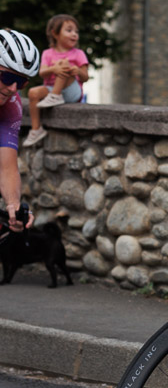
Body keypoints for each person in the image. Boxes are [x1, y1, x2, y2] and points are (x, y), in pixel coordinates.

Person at [24, 14, 89, 148]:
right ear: (55, 33)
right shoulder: (47, 53)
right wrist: (54, 69)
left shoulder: (78, 54)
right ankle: (36, 129)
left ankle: (55, 96)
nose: (74, 34)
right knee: (33, 92)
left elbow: (85, 77)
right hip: (50, 89)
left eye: (76, 32)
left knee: (65, 64)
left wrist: (78, 71)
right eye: (69, 30)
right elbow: (42, 73)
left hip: (72, 92)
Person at [0, 28, 39, 229]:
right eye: (6, 78)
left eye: (21, 81)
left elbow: (7, 167)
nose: (14, 88)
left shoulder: (11, 105)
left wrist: (13, 205)